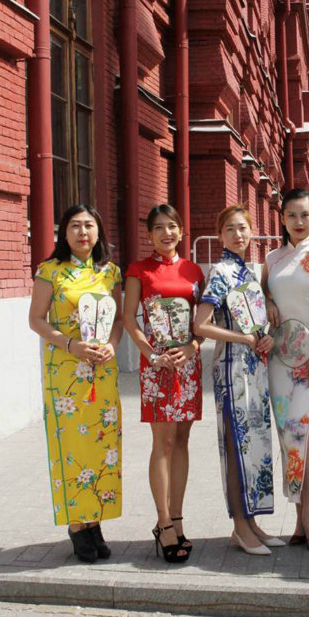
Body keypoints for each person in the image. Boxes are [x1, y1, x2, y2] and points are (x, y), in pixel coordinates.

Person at [29, 205, 123, 563]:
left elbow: (117, 320)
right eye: (75, 226)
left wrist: (113, 347)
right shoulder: (50, 271)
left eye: (89, 225)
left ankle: (95, 519)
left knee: (102, 446)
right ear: (64, 233)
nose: (83, 232)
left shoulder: (110, 272)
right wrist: (71, 345)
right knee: (72, 447)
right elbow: (36, 320)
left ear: (99, 232)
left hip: (102, 372)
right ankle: (77, 525)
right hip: (65, 373)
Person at [194, 205, 279, 555]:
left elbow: (256, 318)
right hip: (233, 369)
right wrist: (242, 338)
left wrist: (265, 336)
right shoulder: (221, 272)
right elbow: (201, 325)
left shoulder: (250, 270)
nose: (239, 235)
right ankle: (240, 527)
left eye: (243, 228)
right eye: (231, 229)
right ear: (220, 235)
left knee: (255, 447)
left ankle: (252, 522)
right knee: (236, 444)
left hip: (256, 368)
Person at [124, 204, 203, 563]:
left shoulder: (193, 270)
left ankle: (180, 516)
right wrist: (152, 355)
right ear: (149, 234)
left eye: (172, 227)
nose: (166, 233)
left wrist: (194, 346)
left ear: (182, 232)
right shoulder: (138, 270)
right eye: (159, 228)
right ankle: (163, 522)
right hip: (156, 366)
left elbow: (203, 320)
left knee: (183, 440)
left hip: (187, 365)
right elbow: (130, 320)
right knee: (163, 442)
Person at [261, 188, 309, 550]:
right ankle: (298, 515)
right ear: (283, 219)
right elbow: (262, 295)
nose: (299, 222)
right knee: (287, 438)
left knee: (306, 434)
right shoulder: (272, 259)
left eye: (305, 215)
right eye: (291, 215)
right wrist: (270, 300)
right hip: (278, 358)